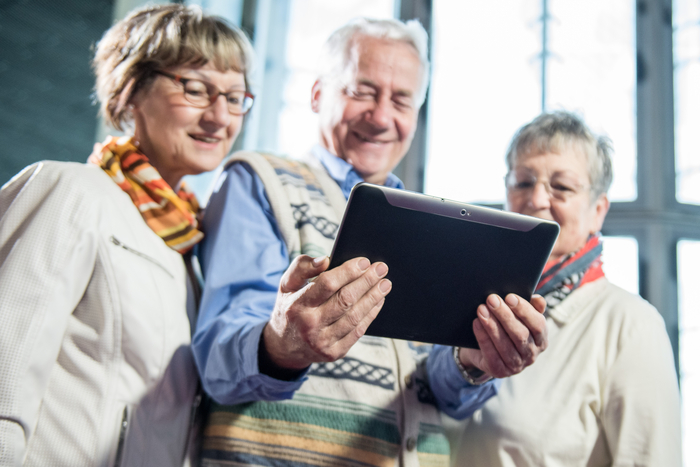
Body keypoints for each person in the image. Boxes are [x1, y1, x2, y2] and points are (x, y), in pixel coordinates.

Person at [193, 18, 548, 467]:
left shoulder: (429, 219)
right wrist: (281, 344)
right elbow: (215, 358)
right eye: (362, 91)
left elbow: (438, 392)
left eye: (401, 99)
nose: (381, 117)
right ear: (318, 94)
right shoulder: (258, 181)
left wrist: (471, 359)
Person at [0, 5, 254, 466]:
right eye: (196, 89)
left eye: (235, 97)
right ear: (131, 89)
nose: (220, 117)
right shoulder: (73, 192)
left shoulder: (188, 248)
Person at [449, 112, 681, 466]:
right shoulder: (465, 304)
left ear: (598, 210)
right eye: (523, 182)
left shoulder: (632, 326)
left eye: (562, 187)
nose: (538, 199)